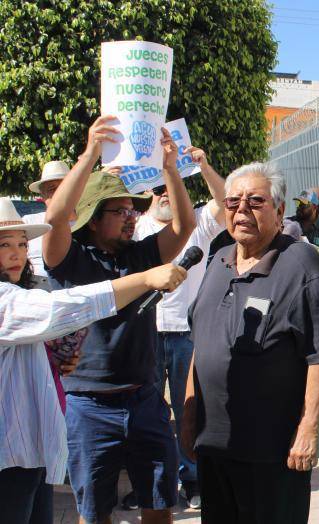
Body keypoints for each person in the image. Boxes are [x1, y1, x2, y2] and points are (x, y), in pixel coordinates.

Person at [42, 115, 196, 524]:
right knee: (93, 513)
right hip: (88, 406)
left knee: (159, 504)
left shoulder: (138, 253)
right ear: (93, 218)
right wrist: (90, 154)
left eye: (133, 209)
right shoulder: (70, 260)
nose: (132, 217)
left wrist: (171, 170)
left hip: (145, 399)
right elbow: (56, 219)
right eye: (120, 211)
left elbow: (186, 225)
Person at [0, 196, 188, 524]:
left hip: (32, 452)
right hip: (11, 457)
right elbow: (62, 308)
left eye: (20, 243)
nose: (16, 252)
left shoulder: (23, 291)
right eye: (4, 245)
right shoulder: (9, 300)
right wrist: (144, 279)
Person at [180, 162, 319, 524]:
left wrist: (309, 429)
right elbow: (200, 346)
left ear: (280, 211)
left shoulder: (301, 263)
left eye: (255, 201)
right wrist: (189, 418)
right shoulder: (218, 262)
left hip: (273, 451)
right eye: (233, 202)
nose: (241, 211)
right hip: (215, 446)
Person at [130, 145, 226, 510]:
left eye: (171, 186)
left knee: (190, 408)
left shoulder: (199, 221)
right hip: (146, 332)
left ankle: (193, 478)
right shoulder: (136, 228)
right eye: (158, 189)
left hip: (189, 333)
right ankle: (154, 481)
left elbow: (225, 200)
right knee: (148, 410)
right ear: (148, 194)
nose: (165, 194)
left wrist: (202, 165)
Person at [23, 160, 72, 278]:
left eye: (64, 187)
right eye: (52, 189)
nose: (59, 193)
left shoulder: (90, 223)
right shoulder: (28, 223)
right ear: (43, 195)